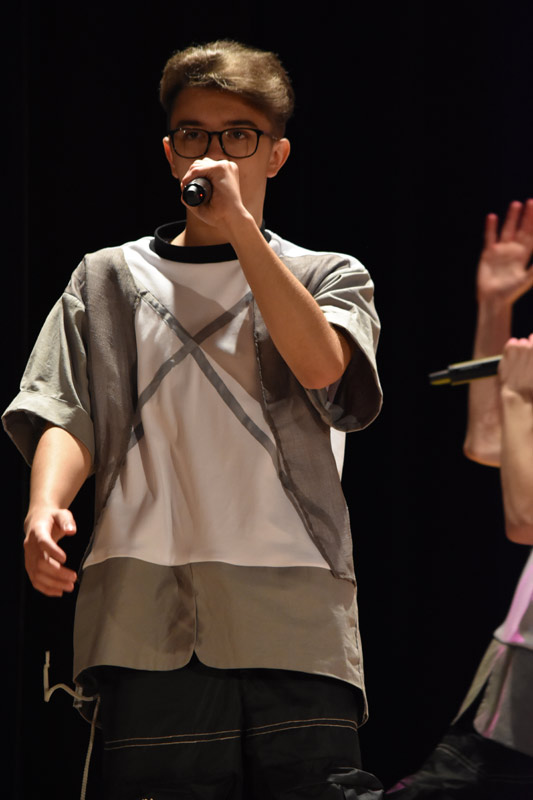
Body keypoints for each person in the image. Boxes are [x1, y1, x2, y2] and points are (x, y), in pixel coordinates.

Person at [3, 41, 384, 799]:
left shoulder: (327, 274)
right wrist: (44, 506)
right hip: (142, 612)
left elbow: (323, 370)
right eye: (193, 134)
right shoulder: (106, 278)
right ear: (169, 151)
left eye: (238, 135)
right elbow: (64, 408)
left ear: (275, 155)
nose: (213, 153)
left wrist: (240, 230)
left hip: (293, 610)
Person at [387, 199, 533, 798]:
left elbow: (525, 520)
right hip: (515, 669)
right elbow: (488, 443)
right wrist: (496, 308)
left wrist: (521, 397)